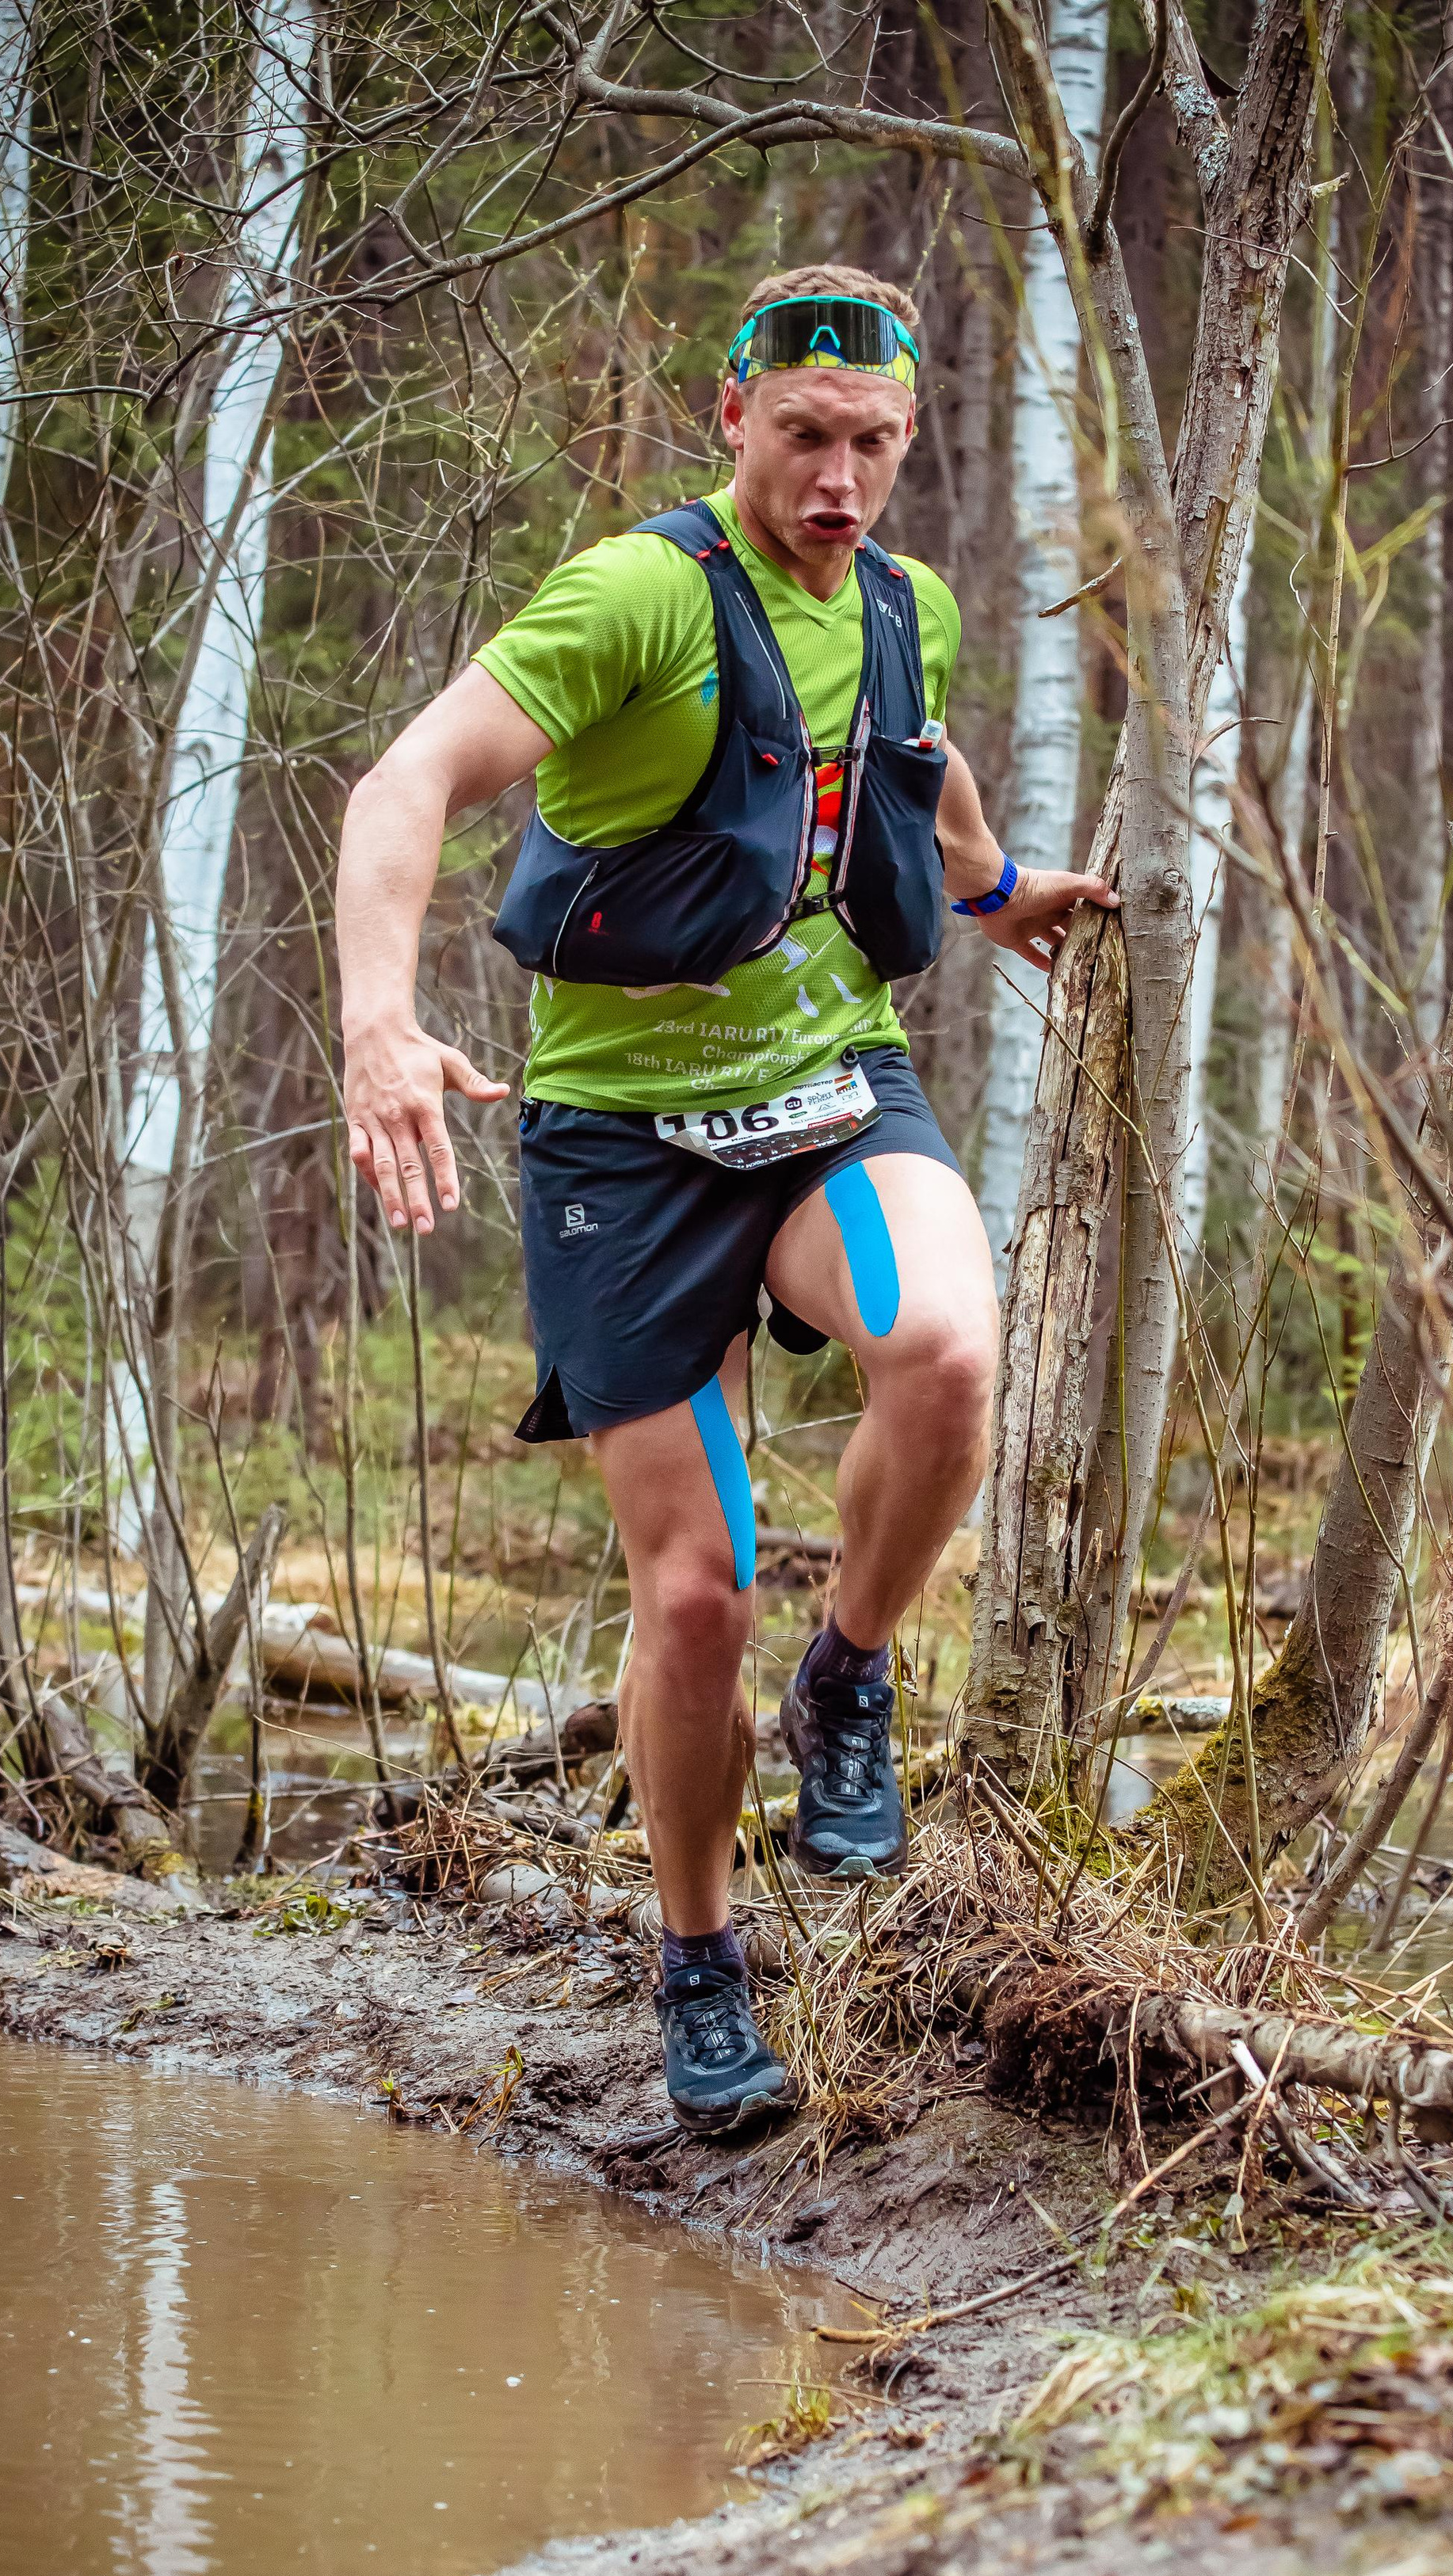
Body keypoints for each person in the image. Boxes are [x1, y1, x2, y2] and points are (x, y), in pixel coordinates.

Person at [335, 263, 1112, 2137]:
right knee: (691, 1603)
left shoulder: (904, 604)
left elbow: (904, 779)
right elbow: (405, 779)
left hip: (831, 1096)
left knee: (941, 1343)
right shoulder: (636, 596)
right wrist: (379, 1026)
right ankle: (698, 1961)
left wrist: (1006, 902)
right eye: (803, 438)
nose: (838, 480)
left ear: (906, 442)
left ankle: (849, 1676)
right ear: (730, 419)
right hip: (621, 1143)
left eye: (873, 445)